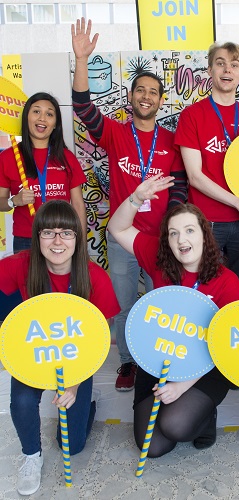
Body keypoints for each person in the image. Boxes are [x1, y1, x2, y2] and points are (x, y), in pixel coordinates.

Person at [71, 18, 188, 391]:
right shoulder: (117, 133)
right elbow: (83, 108)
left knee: (161, 307)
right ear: (131, 96)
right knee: (122, 306)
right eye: (140, 90)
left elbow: (181, 187)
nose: (146, 96)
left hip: (160, 242)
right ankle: (126, 363)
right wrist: (82, 60)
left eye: (153, 91)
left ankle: (156, 360)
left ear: (160, 99)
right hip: (123, 238)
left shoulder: (171, 140)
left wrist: (172, 219)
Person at [107, 175, 239, 457]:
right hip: (160, 357)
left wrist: (183, 386)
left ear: (204, 235)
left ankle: (206, 417)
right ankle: (182, 406)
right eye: (173, 233)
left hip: (206, 364)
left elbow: (224, 345)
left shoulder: (227, 281)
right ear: (166, 239)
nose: (182, 240)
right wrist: (136, 197)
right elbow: (117, 227)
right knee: (153, 448)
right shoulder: (159, 261)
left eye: (190, 230)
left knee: (176, 426)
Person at [0, 200, 120, 496]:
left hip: (77, 359)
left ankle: (89, 399)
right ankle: (31, 456)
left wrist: (78, 382)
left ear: (77, 239)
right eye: (48, 232)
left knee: (72, 446)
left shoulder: (95, 277)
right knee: (24, 402)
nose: (57, 241)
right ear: (37, 236)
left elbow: (98, 338)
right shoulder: (20, 264)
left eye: (66, 233)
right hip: (36, 354)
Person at [175, 40, 239, 294]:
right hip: (207, 223)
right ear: (210, 70)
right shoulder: (192, 115)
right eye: (220, 64)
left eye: (234, 65)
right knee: (202, 291)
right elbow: (195, 176)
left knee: (235, 291)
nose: (227, 70)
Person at [0, 92, 87, 252]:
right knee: (28, 279)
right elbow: (1, 202)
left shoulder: (66, 157)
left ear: (55, 124)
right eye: (36, 111)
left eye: (49, 114)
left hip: (62, 237)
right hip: (27, 240)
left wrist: (80, 242)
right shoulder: (8, 157)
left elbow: (78, 204)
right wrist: (14, 201)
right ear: (26, 117)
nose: (42, 118)